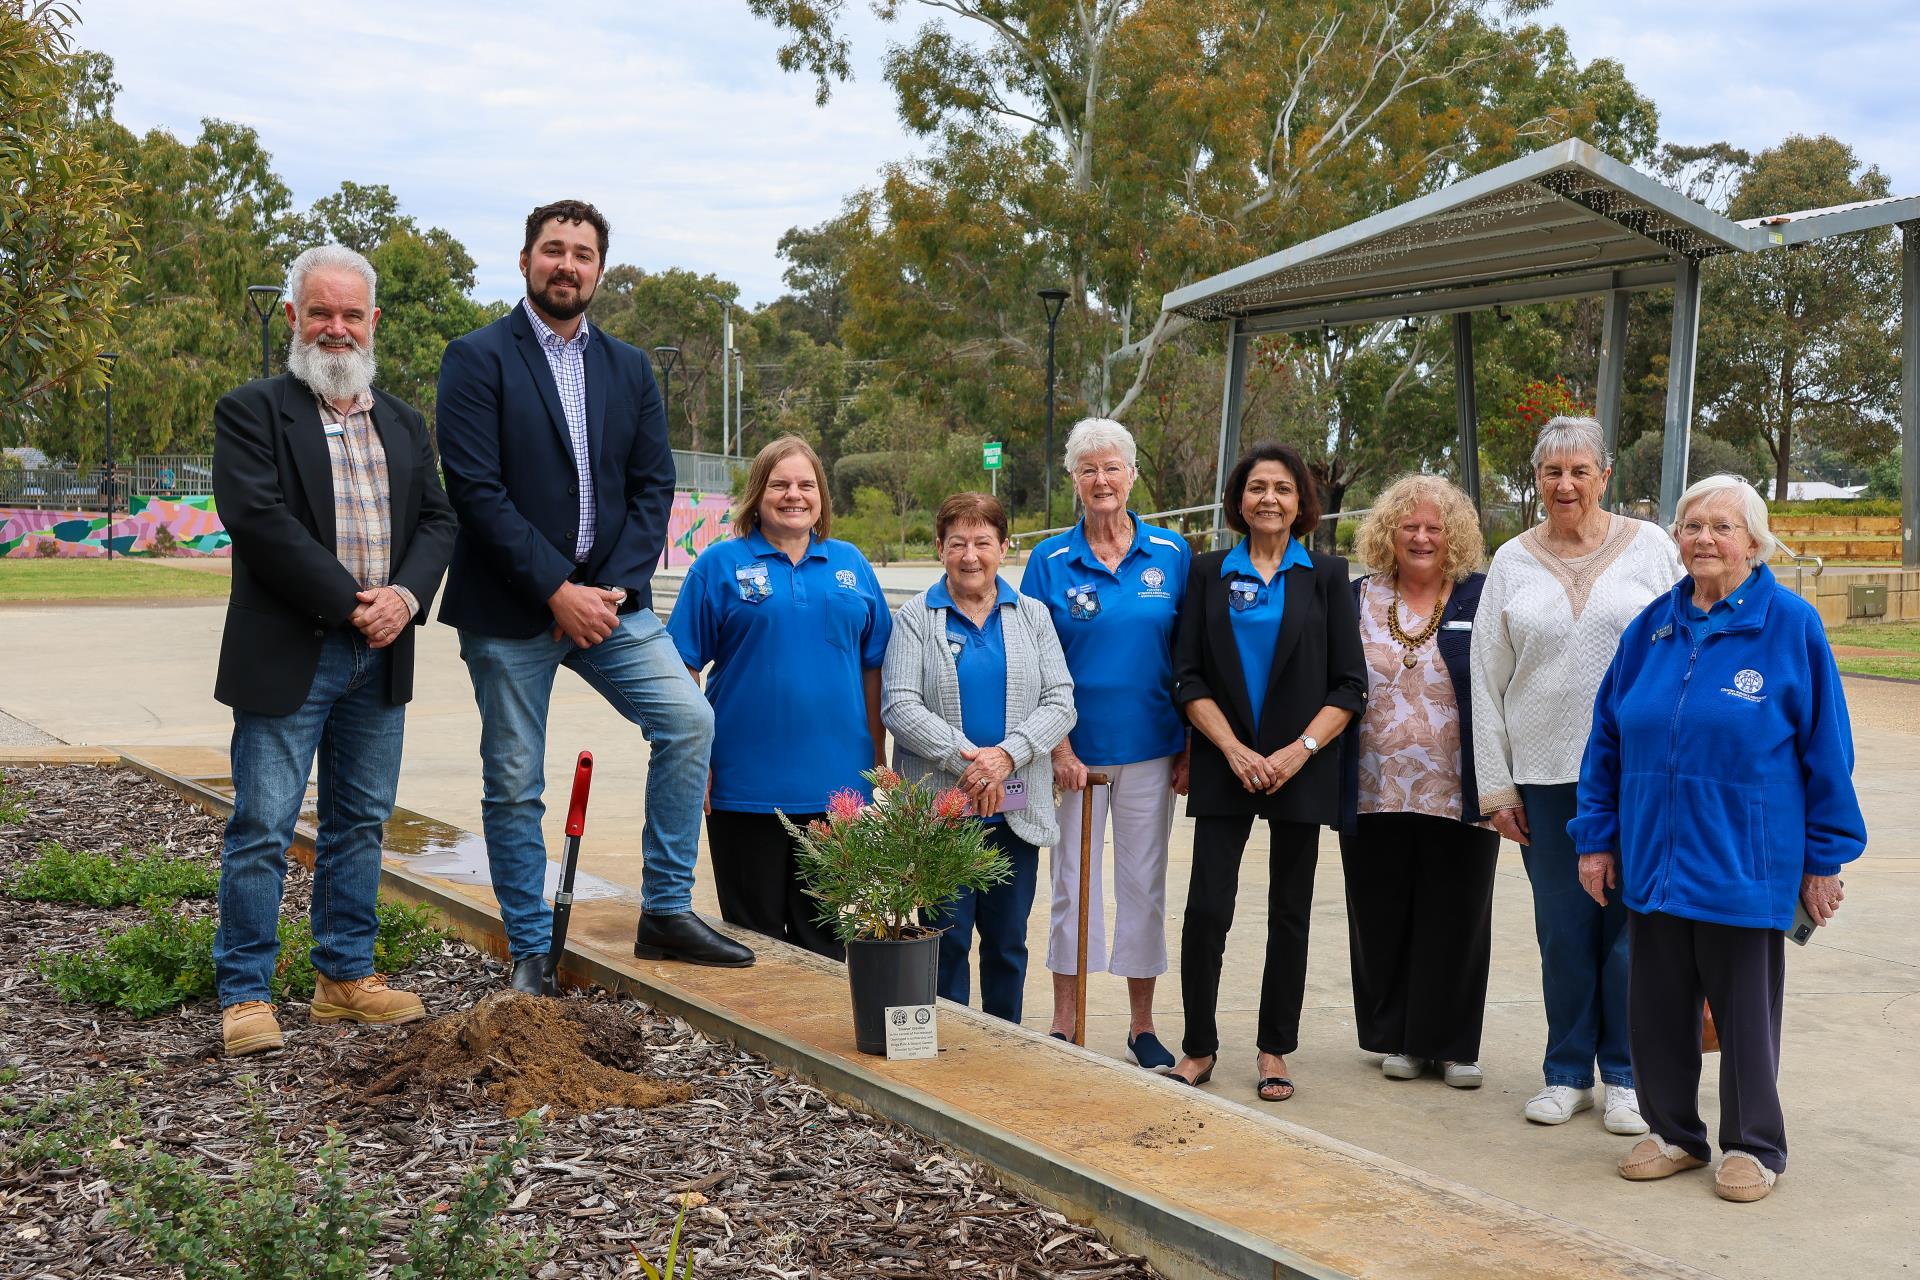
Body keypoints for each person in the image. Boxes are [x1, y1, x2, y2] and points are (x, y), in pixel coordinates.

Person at [436, 198, 750, 993]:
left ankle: (666, 912)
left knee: (688, 721)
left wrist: (608, 588)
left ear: (600, 270)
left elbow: (653, 487)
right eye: (553, 250)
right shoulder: (476, 359)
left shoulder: (629, 367)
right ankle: (531, 950)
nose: (566, 265)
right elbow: (476, 491)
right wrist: (555, 589)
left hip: (610, 603)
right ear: (525, 260)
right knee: (515, 779)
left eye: (582, 253)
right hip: (511, 610)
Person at [1571, 475, 1864, 1203]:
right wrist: (1597, 838)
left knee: (1744, 1017)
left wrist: (1823, 860)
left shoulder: (1791, 625)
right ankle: (1673, 1133)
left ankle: (1754, 1146)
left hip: (1746, 861)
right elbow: (1606, 738)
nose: (1704, 538)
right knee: (1658, 1007)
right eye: (1691, 524)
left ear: (1755, 542)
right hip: (1654, 857)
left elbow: (1828, 750)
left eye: (1722, 526)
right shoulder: (1652, 627)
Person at [210, 244, 457, 1056]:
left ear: (374, 322)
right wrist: (356, 606)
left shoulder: (403, 423)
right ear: (293, 317)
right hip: (293, 653)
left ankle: (344, 979)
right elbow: (259, 520)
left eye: (352, 314)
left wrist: (405, 599)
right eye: (321, 312)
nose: (337, 328)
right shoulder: (252, 412)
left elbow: (438, 522)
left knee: (360, 824)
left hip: (380, 657)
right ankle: (244, 993)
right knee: (263, 826)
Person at [1470, 414, 1682, 1133]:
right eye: (1551, 472)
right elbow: (1486, 680)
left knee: (1632, 930)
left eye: (1578, 471)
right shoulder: (1511, 561)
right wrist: (1496, 787)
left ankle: (1625, 1075)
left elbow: (1689, 647)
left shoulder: (1652, 548)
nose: (1565, 485)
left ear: (1605, 476)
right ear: (1536, 481)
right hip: (1546, 775)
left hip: (1641, 776)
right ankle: (1566, 1072)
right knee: (1563, 928)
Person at [1169, 442, 1365, 1100]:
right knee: (1206, 911)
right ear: (1238, 499)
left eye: (1283, 488)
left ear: (1302, 502)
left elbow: (1348, 686)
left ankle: (1275, 1048)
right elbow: (1188, 675)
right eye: (1257, 487)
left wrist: (1296, 752)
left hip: (1299, 766)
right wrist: (1232, 749)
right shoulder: (1206, 573)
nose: (1270, 499)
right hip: (1227, 761)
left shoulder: (1329, 577)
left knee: (1291, 913)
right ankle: (1198, 1046)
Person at [667, 436, 891, 959]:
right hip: (744, 787)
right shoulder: (718, 565)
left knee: (829, 946)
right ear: (758, 494)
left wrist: (877, 756)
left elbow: (873, 666)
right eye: (780, 484)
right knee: (754, 944)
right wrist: (692, 760)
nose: (794, 495)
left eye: (806, 485)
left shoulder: (851, 563)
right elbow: (683, 669)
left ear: (821, 496)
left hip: (838, 792)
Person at [1020, 417, 1191, 1070]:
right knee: (1072, 887)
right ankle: (1066, 1020)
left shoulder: (1170, 555)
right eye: (1088, 469)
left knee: (1143, 885)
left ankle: (1141, 1026)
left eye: (1112, 467)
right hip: (1074, 756)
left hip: (1152, 747)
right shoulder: (1051, 561)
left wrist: (1190, 747)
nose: (1101, 480)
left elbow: (1189, 657)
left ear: (1132, 475)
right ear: (1073, 479)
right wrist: (1058, 750)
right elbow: (1035, 659)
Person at [882, 493, 1076, 1024]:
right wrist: (970, 760)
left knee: (1008, 945)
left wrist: (1007, 758)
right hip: (943, 812)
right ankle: (950, 1051)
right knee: (946, 941)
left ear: (1004, 548)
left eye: (983, 542)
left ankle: (1006, 1047)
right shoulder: (915, 618)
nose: (971, 555)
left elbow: (1061, 700)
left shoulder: (1032, 615)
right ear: (939, 549)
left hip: (1016, 812)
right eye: (958, 543)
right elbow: (899, 704)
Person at [1336, 475, 1497, 1088]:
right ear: (1388, 534)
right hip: (1373, 785)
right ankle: (1396, 1036)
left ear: (1453, 536)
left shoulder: (1481, 597)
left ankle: (1451, 1043)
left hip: (1461, 787)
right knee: (1380, 911)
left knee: (1457, 912)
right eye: (1410, 526)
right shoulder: (1356, 597)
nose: (1422, 537)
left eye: (1435, 527)